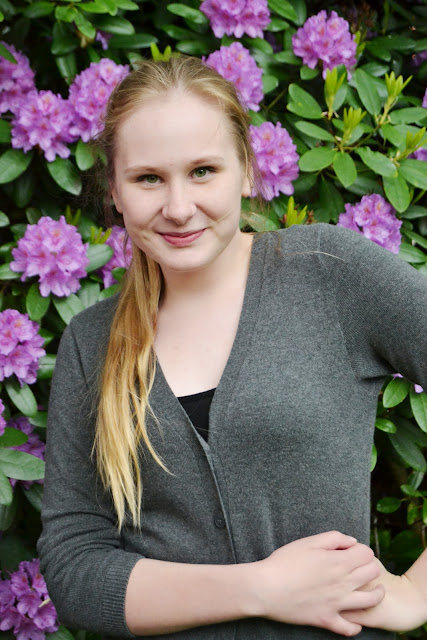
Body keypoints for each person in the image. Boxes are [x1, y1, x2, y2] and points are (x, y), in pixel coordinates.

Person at [37, 56, 427, 640]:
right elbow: (75, 567)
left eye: (203, 171)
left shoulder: (330, 275)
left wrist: (415, 595)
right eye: (148, 178)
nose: (178, 207)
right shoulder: (91, 343)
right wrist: (260, 588)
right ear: (114, 190)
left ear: (246, 169)